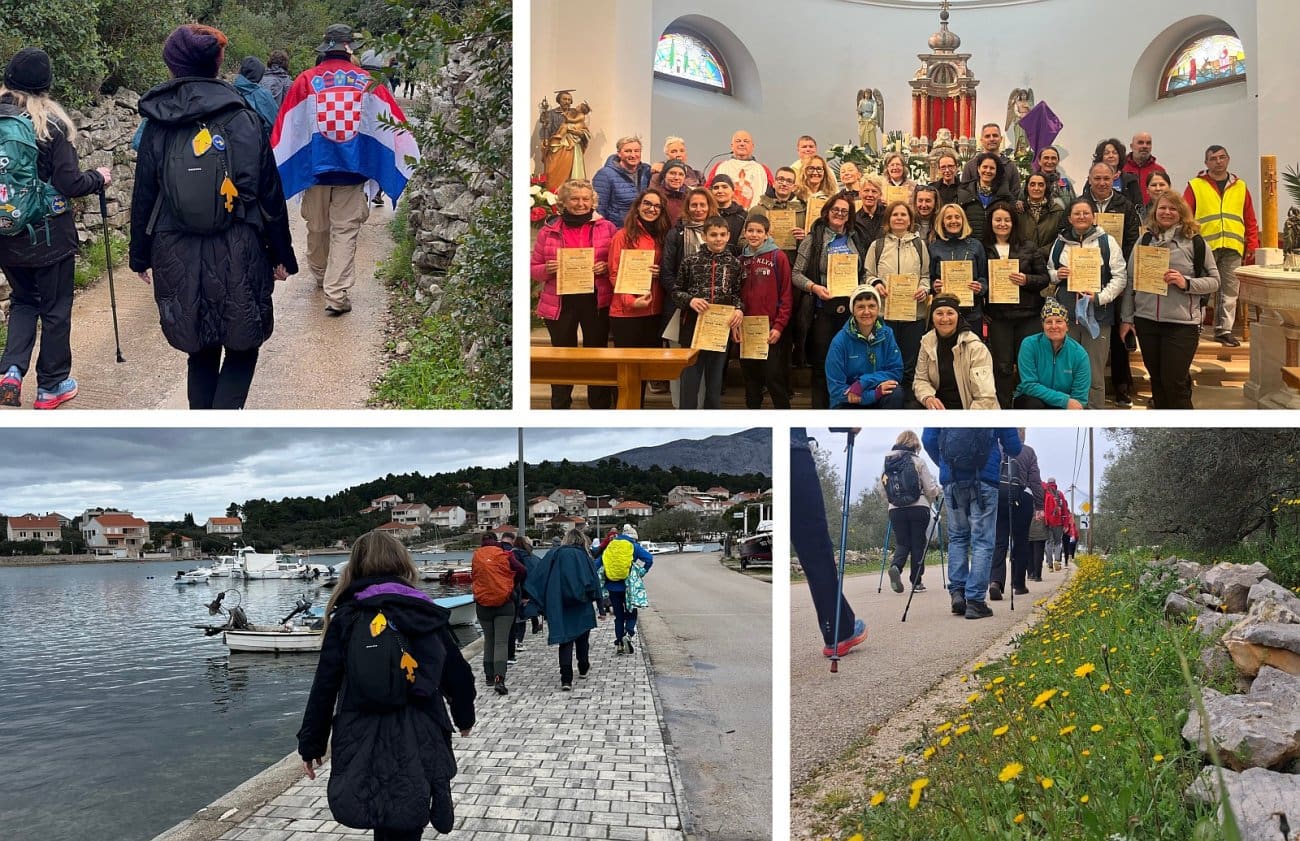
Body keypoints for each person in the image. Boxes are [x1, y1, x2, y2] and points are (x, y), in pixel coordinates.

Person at [131, 25, 297, 410]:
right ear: (219, 62)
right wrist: (281, 255)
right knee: (243, 342)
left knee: (200, 346)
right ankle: (224, 421)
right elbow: (269, 193)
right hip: (240, 245)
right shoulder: (245, 118)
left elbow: (144, 196)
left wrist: (140, 254)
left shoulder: (158, 122)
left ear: (171, 65)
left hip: (176, 247)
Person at [297, 530, 475, 841]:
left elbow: (325, 685)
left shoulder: (347, 616)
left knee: (384, 814)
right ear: (402, 562)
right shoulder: (421, 610)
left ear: (357, 566)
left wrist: (312, 743)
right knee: (408, 815)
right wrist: (463, 716)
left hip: (361, 730)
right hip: (421, 728)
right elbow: (457, 673)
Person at [271, 23, 418, 316]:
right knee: (345, 230)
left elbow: (288, 129)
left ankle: (322, 274)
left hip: (315, 171)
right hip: (352, 172)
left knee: (318, 227)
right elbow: (392, 125)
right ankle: (335, 291)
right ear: (350, 48)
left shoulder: (305, 81)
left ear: (325, 48)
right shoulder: (367, 82)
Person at [0, 48, 111, 410]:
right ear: (46, 85)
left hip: (6, 232)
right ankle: (51, 386)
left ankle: (11, 372)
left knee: (22, 301)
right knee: (55, 310)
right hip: (49, 236)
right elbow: (70, 183)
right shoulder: (50, 125)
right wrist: (99, 177)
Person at [1120, 192, 1220, 408]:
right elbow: (1130, 281)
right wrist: (1127, 318)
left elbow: (1214, 281)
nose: (1166, 212)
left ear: (1182, 213)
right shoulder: (1144, 239)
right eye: (1162, 208)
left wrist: (1186, 283)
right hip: (1147, 321)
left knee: (1174, 383)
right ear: (1155, 212)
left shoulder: (1195, 243)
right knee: (1156, 382)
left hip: (1181, 324)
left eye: (1172, 208)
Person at [530, 178, 617, 409]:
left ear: (593, 201)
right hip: (560, 301)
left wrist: (606, 267)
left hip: (595, 300)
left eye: (585, 199)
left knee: (597, 356)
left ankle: (599, 406)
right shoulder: (548, 232)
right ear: (564, 202)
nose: (581, 203)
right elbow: (533, 268)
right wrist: (546, 269)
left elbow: (617, 262)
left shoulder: (607, 228)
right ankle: (560, 406)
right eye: (575, 199)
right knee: (561, 358)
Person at [922, 427, 1022, 620]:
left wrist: (945, 464)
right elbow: (1014, 447)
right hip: (985, 479)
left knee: (958, 537)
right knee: (982, 541)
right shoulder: (994, 406)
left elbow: (928, 440)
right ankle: (975, 601)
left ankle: (958, 593)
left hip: (952, 479)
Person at [791, 427, 868, 657]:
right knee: (815, 549)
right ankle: (838, 631)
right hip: (793, 454)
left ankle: (840, 627)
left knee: (812, 549)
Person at [1047, 198, 1127, 409]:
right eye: (1077, 213)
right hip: (1067, 319)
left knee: (1093, 372)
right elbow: (1050, 272)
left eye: (1086, 213)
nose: (1081, 217)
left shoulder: (1106, 242)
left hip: (1097, 317)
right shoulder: (1060, 242)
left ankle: (1093, 414)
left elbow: (1120, 277)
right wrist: (1057, 274)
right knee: (1066, 369)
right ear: (1070, 218)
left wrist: (1099, 297)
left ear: (1093, 216)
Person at [793, 192, 867, 408]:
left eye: (845, 211)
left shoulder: (856, 238)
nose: (840, 214)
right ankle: (821, 411)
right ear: (827, 212)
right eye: (836, 210)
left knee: (850, 365)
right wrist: (815, 287)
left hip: (851, 312)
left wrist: (862, 287)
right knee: (822, 365)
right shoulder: (813, 239)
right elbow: (796, 274)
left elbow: (864, 271)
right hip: (822, 310)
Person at [1183, 145, 1259, 347]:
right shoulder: (1195, 185)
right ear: (1206, 163)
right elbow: (1185, 216)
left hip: (1233, 246)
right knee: (1201, 289)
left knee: (1230, 290)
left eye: (1222, 157)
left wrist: (1252, 244)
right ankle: (1194, 326)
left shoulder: (1240, 186)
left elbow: (1250, 219)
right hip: (1204, 247)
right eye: (1213, 158)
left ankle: (1223, 330)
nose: (1218, 161)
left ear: (1228, 159)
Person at [670, 216, 744, 409]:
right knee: (690, 379)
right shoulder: (690, 261)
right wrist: (691, 300)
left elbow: (737, 293)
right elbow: (676, 292)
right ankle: (687, 418)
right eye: (713, 235)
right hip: (693, 326)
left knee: (714, 381)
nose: (718, 239)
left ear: (728, 236)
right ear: (704, 236)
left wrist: (738, 309)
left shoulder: (734, 264)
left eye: (722, 235)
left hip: (721, 328)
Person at [983, 201, 1050, 406]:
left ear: (1014, 222)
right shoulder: (982, 248)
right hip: (999, 316)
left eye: (1007, 220)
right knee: (1002, 366)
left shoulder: (1028, 246)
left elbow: (1045, 278)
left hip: (1027, 316)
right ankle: (1003, 407)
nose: (1002, 224)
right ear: (991, 222)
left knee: (1026, 367)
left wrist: (1026, 280)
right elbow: (979, 279)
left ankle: (1025, 406)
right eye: (998, 220)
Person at [608, 188, 670, 406]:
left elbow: (669, 270)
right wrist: (630, 301)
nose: (651, 209)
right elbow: (615, 273)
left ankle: (638, 406)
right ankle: (623, 409)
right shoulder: (622, 235)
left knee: (642, 369)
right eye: (647, 204)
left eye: (656, 206)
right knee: (626, 370)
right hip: (626, 313)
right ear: (638, 205)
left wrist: (660, 271)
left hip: (653, 311)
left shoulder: (664, 236)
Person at [659, 186, 717, 406]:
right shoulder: (676, 233)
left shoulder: (719, 231)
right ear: (687, 207)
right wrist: (685, 298)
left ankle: (702, 407)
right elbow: (666, 271)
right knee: (681, 361)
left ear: (710, 206)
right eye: (694, 204)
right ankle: (680, 406)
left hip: (711, 310)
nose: (699, 209)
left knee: (706, 362)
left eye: (703, 204)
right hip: (680, 308)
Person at [866, 201, 931, 398]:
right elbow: (868, 274)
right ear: (888, 219)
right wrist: (876, 283)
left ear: (910, 220)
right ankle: (889, 401)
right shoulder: (877, 246)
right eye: (895, 215)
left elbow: (926, 275)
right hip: (885, 314)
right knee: (885, 360)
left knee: (910, 362)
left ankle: (909, 401)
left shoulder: (919, 245)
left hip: (914, 315)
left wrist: (924, 289)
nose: (899, 218)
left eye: (904, 215)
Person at [525, 528, 604, 690]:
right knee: (583, 640)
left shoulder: (554, 554)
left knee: (565, 642)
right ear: (582, 540)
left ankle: (566, 679)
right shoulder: (585, 556)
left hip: (560, 605)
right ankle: (583, 667)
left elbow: (538, 576)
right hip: (582, 606)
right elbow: (595, 582)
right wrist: (601, 608)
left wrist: (535, 600)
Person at [736, 213, 792, 408]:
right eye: (750, 230)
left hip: (770, 330)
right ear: (744, 233)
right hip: (745, 330)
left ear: (767, 234)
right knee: (751, 382)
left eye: (759, 231)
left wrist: (779, 326)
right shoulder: (740, 260)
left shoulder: (778, 257)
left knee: (774, 379)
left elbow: (786, 295)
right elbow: (735, 295)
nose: (754, 235)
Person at [878, 430, 941, 592]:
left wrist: (892, 502)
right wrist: (936, 493)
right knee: (918, 544)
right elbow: (929, 488)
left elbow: (882, 489)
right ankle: (916, 582)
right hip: (919, 507)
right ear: (915, 445)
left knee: (902, 542)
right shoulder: (918, 461)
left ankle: (896, 568)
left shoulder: (888, 462)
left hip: (895, 510)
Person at [913, 293, 998, 410]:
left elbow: (985, 397)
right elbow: (921, 380)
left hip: (969, 409)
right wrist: (928, 398)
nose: (945, 319)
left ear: (958, 316)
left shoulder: (976, 347)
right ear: (932, 317)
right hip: (939, 407)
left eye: (950, 313)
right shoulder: (927, 342)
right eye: (939, 313)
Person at [825, 284, 905, 409]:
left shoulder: (887, 334)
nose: (866, 312)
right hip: (849, 400)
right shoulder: (839, 341)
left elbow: (896, 371)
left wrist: (863, 383)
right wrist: (871, 395)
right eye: (861, 307)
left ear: (878, 309)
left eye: (872, 306)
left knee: (895, 392)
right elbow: (836, 389)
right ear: (853, 310)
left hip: (877, 394)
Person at [470, 533, 527, 694]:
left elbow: (473, 577)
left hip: (482, 604)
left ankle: (488, 676)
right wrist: (512, 583)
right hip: (505, 603)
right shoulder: (505, 555)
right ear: (497, 541)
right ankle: (499, 679)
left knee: (489, 640)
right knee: (501, 642)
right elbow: (522, 570)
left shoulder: (476, 556)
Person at [990, 428, 1039, 600]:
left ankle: (995, 581)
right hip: (1022, 497)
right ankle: (1018, 584)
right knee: (1020, 542)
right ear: (1022, 435)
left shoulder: (995, 448)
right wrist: (1039, 505)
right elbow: (1034, 480)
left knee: (999, 540)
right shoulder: (1028, 452)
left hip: (998, 496)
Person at [1013, 298, 1090, 409]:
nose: (1054, 326)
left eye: (1059, 321)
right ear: (1043, 325)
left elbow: (1079, 398)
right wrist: (1063, 400)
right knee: (1032, 404)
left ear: (1067, 326)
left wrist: (1067, 404)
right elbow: (1028, 385)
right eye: (1049, 322)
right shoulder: (1029, 345)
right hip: (1035, 400)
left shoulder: (1080, 354)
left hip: (1065, 405)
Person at [928, 203, 987, 336]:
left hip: (972, 313)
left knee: (972, 353)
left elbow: (984, 277)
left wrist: (980, 287)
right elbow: (929, 278)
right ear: (942, 222)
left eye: (957, 217)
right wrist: (934, 286)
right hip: (944, 314)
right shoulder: (934, 247)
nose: (953, 221)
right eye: (948, 218)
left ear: (963, 220)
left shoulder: (976, 246)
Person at [596, 523, 653, 654]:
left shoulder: (611, 546)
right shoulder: (634, 546)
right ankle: (629, 633)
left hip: (612, 587)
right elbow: (649, 559)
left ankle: (620, 645)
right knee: (631, 613)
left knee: (619, 616)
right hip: (629, 587)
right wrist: (642, 571)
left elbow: (597, 564)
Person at [705, 130, 773, 210]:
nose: (742, 144)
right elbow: (707, 192)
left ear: (752, 146)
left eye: (746, 141)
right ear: (732, 146)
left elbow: (772, 194)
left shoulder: (763, 170)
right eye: (738, 141)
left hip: (754, 218)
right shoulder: (720, 167)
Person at [592, 135, 651, 226]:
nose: (633, 155)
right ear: (619, 154)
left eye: (636, 151)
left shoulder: (646, 170)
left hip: (641, 227)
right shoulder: (605, 174)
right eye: (628, 151)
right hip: (616, 229)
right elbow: (599, 208)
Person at [957, 152, 1014, 242]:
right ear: (978, 169)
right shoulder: (964, 194)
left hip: (995, 248)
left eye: (992, 168)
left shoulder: (1005, 196)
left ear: (996, 171)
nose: (988, 171)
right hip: (971, 247)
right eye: (985, 167)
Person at [539, 89, 590, 191]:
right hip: (555, 147)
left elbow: (584, 130)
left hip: (570, 149)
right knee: (551, 172)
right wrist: (544, 139)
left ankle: (568, 194)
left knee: (570, 174)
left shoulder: (576, 113)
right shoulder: (551, 114)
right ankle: (552, 194)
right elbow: (546, 129)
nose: (567, 101)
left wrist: (577, 132)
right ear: (558, 100)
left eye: (569, 100)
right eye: (564, 99)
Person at [961, 123, 1021, 197]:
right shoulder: (970, 166)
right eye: (987, 136)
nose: (992, 139)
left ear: (1001, 139)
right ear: (981, 140)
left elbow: (1016, 193)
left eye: (995, 135)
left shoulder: (1010, 166)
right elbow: (964, 193)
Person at [1018, 172, 1067, 261]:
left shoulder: (1057, 211)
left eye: (1041, 185)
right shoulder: (1018, 211)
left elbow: (1062, 238)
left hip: (1049, 261)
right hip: (1023, 262)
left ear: (1046, 188)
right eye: (1032, 185)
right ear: (1027, 188)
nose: (1036, 188)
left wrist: (1041, 252)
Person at [233, 56, 281, 131]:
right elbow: (275, 122)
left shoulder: (229, 90)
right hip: (258, 138)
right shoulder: (264, 95)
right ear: (260, 75)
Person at [1093, 138, 1143, 210]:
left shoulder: (1131, 181)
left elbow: (1138, 207)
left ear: (1120, 156)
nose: (1111, 156)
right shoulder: (1092, 180)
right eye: (1106, 153)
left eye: (1115, 153)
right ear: (1101, 157)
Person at [709, 173, 748, 251]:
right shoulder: (707, 214)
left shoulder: (743, 216)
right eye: (716, 188)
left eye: (724, 187)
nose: (720, 191)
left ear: (733, 191)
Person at [1123, 132, 1161, 207]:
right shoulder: (1121, 169)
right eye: (1140, 143)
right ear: (1131, 146)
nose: (1145, 146)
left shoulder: (1159, 170)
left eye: (1148, 143)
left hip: (1152, 214)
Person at [1042, 478, 1068, 571]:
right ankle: (1057, 560)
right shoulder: (1060, 494)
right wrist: (1066, 525)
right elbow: (1064, 510)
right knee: (1058, 542)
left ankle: (1049, 565)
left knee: (1048, 542)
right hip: (1059, 523)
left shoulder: (1044, 494)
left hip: (1048, 523)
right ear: (1055, 484)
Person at [657, 160, 689, 225]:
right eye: (672, 173)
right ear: (664, 175)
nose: (676, 178)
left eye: (681, 174)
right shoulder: (656, 196)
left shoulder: (690, 197)